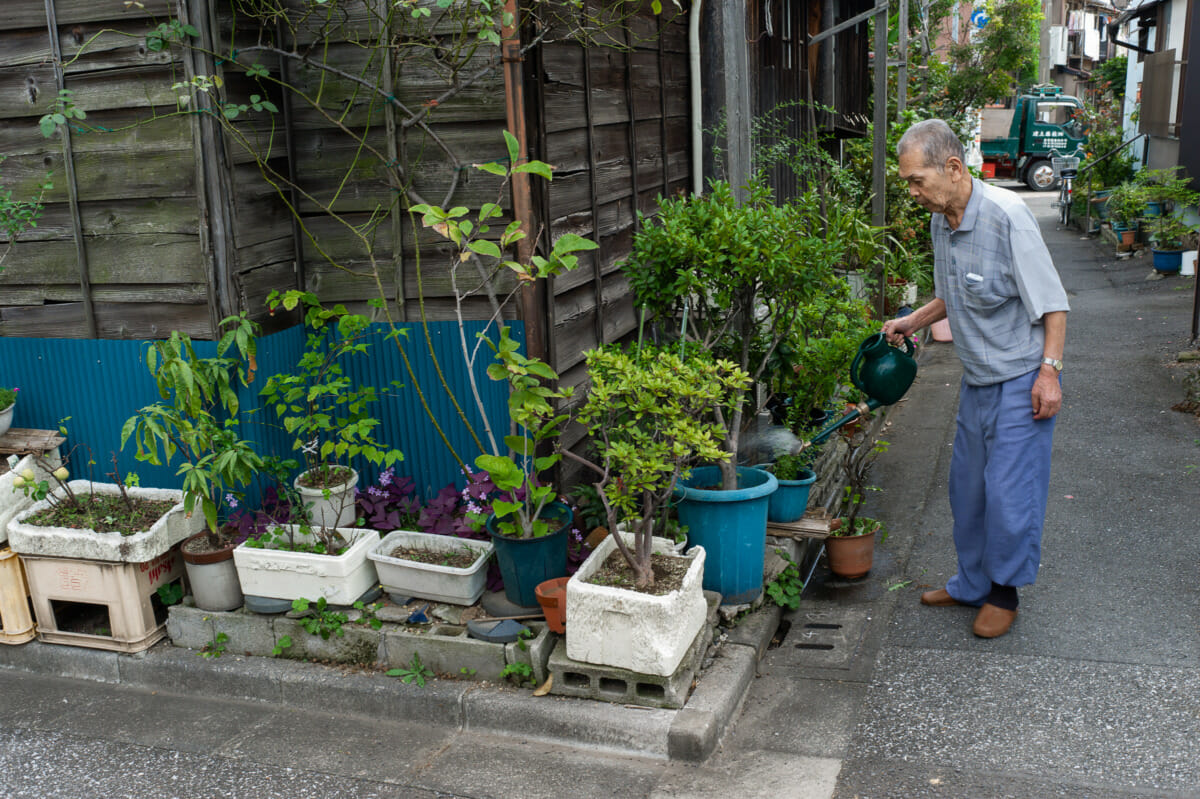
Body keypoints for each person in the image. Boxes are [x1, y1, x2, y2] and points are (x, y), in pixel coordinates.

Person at [881, 119, 1069, 639]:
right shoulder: (944, 218)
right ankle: (971, 582)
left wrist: (1049, 375)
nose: (913, 192)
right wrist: (909, 322)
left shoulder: (1009, 218)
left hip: (1021, 380)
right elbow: (953, 292)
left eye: (917, 180)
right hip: (978, 380)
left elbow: (1053, 306)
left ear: (954, 168)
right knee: (966, 491)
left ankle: (1004, 592)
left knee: (1010, 493)